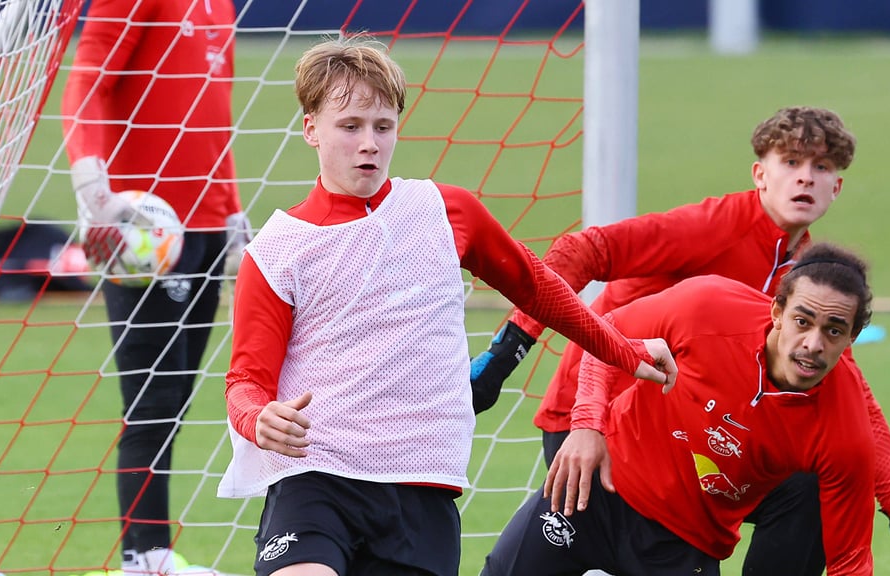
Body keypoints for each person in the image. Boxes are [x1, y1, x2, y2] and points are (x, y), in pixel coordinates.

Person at [215, 35, 677, 576]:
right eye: (350, 126)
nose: (369, 143)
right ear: (311, 129)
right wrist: (256, 419)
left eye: (382, 127)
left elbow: (540, 290)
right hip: (317, 477)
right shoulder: (276, 252)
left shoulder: (445, 210)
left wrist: (622, 348)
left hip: (420, 484)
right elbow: (245, 381)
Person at [471, 106, 890, 575]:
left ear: (837, 186)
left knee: (809, 489)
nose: (805, 178)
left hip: (704, 437)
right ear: (760, 174)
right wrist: (504, 356)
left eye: (821, 167)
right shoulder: (715, 229)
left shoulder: (813, 282)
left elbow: (856, 411)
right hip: (597, 415)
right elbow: (584, 250)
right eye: (791, 162)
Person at [482, 243, 881, 576]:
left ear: (852, 337)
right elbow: (607, 334)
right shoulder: (707, 306)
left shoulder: (845, 431)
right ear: (777, 313)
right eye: (802, 321)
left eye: (833, 330)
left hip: (684, 544)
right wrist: (587, 426)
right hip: (593, 496)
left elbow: (851, 561)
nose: (813, 343)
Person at [60, 0, 250, 573]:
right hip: (141, 232)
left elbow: (213, 121)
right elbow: (88, 75)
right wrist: (89, 176)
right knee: (152, 402)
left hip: (207, 231)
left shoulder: (221, 7)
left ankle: (154, 551)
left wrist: (233, 209)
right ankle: (142, 556)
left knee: (177, 401)